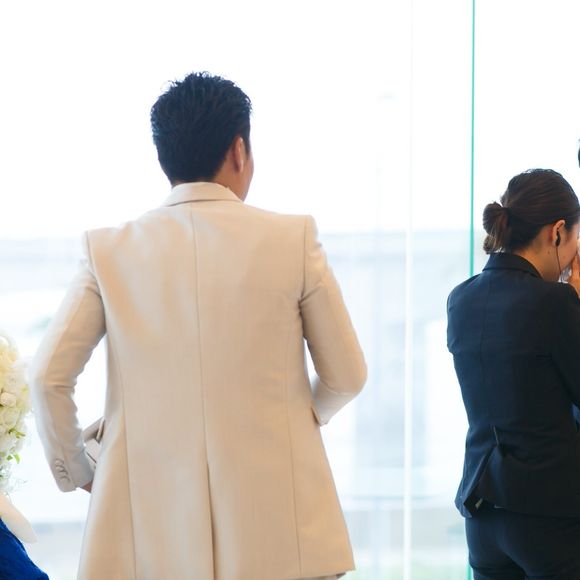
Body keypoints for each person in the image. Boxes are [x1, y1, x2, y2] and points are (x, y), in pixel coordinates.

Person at [30, 72, 366, 580]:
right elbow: (347, 376)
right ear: (239, 150)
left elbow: (47, 377)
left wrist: (77, 468)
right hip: (284, 536)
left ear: (164, 157)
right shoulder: (292, 239)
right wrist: (294, 416)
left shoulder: (108, 251)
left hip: (148, 539)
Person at [447, 168, 580, 579]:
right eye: (575, 239)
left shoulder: (460, 299)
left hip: (483, 515)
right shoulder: (555, 303)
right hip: (549, 517)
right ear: (557, 232)